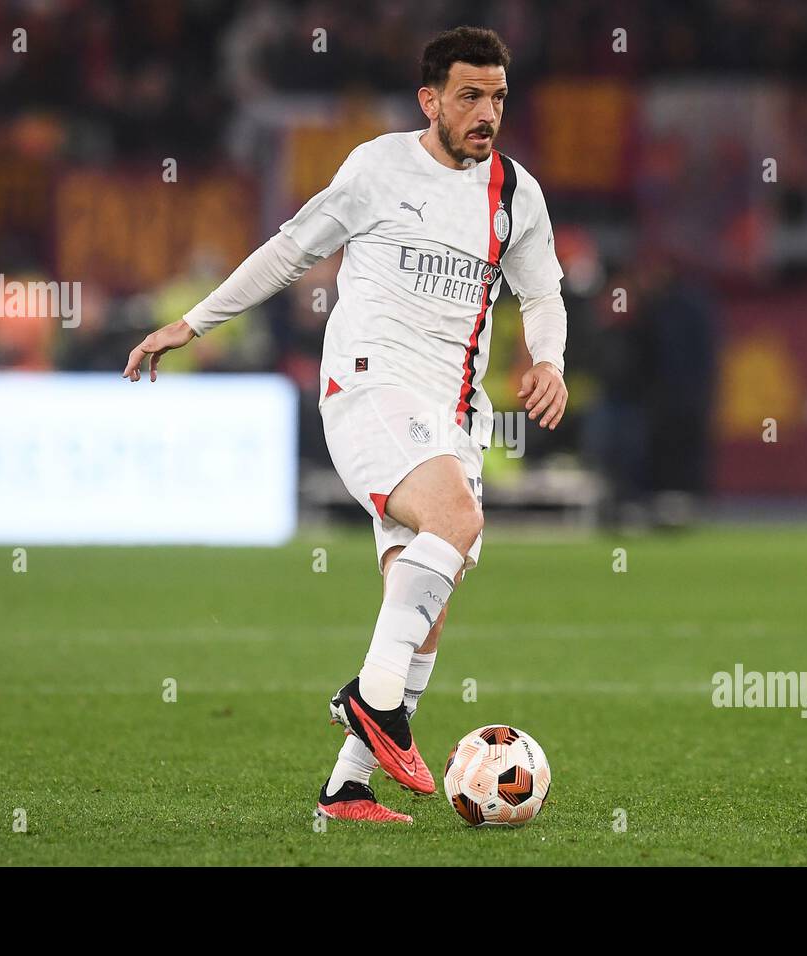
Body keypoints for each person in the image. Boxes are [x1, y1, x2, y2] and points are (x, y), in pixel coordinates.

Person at [122, 26, 568, 823]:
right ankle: (374, 701)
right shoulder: (377, 167)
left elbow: (541, 295)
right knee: (459, 520)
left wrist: (550, 361)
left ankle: (348, 785)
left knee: (428, 599)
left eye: (498, 97)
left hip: (453, 414)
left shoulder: (514, 194)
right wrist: (191, 323)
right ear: (430, 100)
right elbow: (290, 250)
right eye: (469, 96)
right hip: (370, 383)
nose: (486, 113)